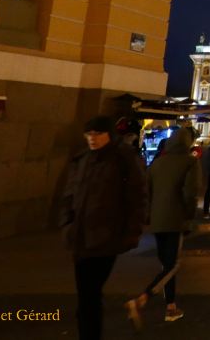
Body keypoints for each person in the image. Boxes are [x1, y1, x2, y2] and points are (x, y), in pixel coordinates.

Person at [61, 115, 146, 340]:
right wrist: (67, 224)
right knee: (86, 293)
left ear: (109, 135)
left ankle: (89, 334)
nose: (93, 138)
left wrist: (131, 232)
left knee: (90, 293)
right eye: (89, 134)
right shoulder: (81, 159)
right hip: (80, 234)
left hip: (107, 235)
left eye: (98, 134)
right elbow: (69, 194)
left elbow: (137, 197)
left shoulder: (124, 159)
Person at [125, 126, 200, 327]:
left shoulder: (157, 163)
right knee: (173, 265)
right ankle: (142, 299)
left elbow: (146, 193)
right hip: (175, 219)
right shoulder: (190, 162)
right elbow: (190, 193)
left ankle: (171, 307)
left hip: (157, 221)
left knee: (166, 266)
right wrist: (189, 217)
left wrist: (149, 216)